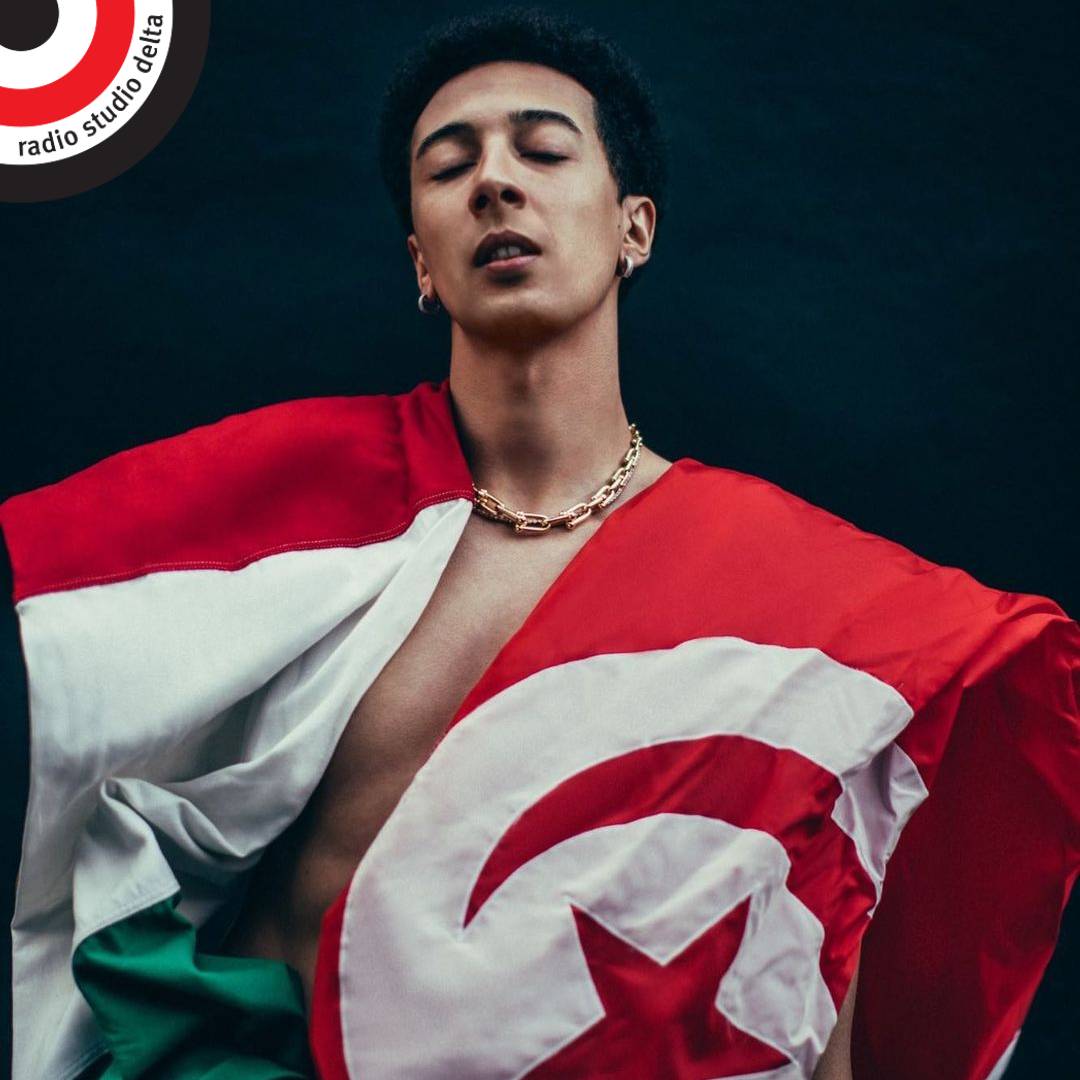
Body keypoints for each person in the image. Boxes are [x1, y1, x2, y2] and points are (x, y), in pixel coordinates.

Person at [1, 8, 1076, 1079]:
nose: (494, 184)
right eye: (449, 166)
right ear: (422, 263)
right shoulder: (282, 502)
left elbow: (814, 961)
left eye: (544, 151)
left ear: (634, 229)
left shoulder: (800, 602)